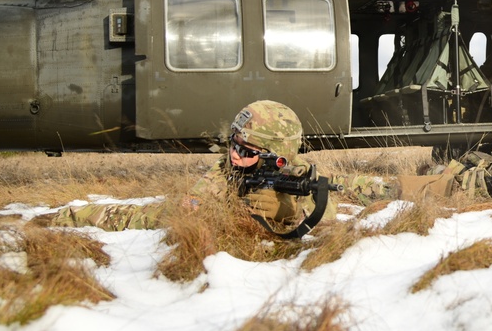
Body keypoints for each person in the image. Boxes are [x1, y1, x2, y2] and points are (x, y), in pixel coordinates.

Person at [51, 100, 340, 236]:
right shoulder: (225, 171)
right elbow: (191, 213)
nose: (234, 155)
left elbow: (327, 212)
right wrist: (237, 209)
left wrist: (288, 213)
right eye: (232, 143)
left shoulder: (297, 172)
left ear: (279, 157)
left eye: (246, 151)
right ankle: (71, 215)